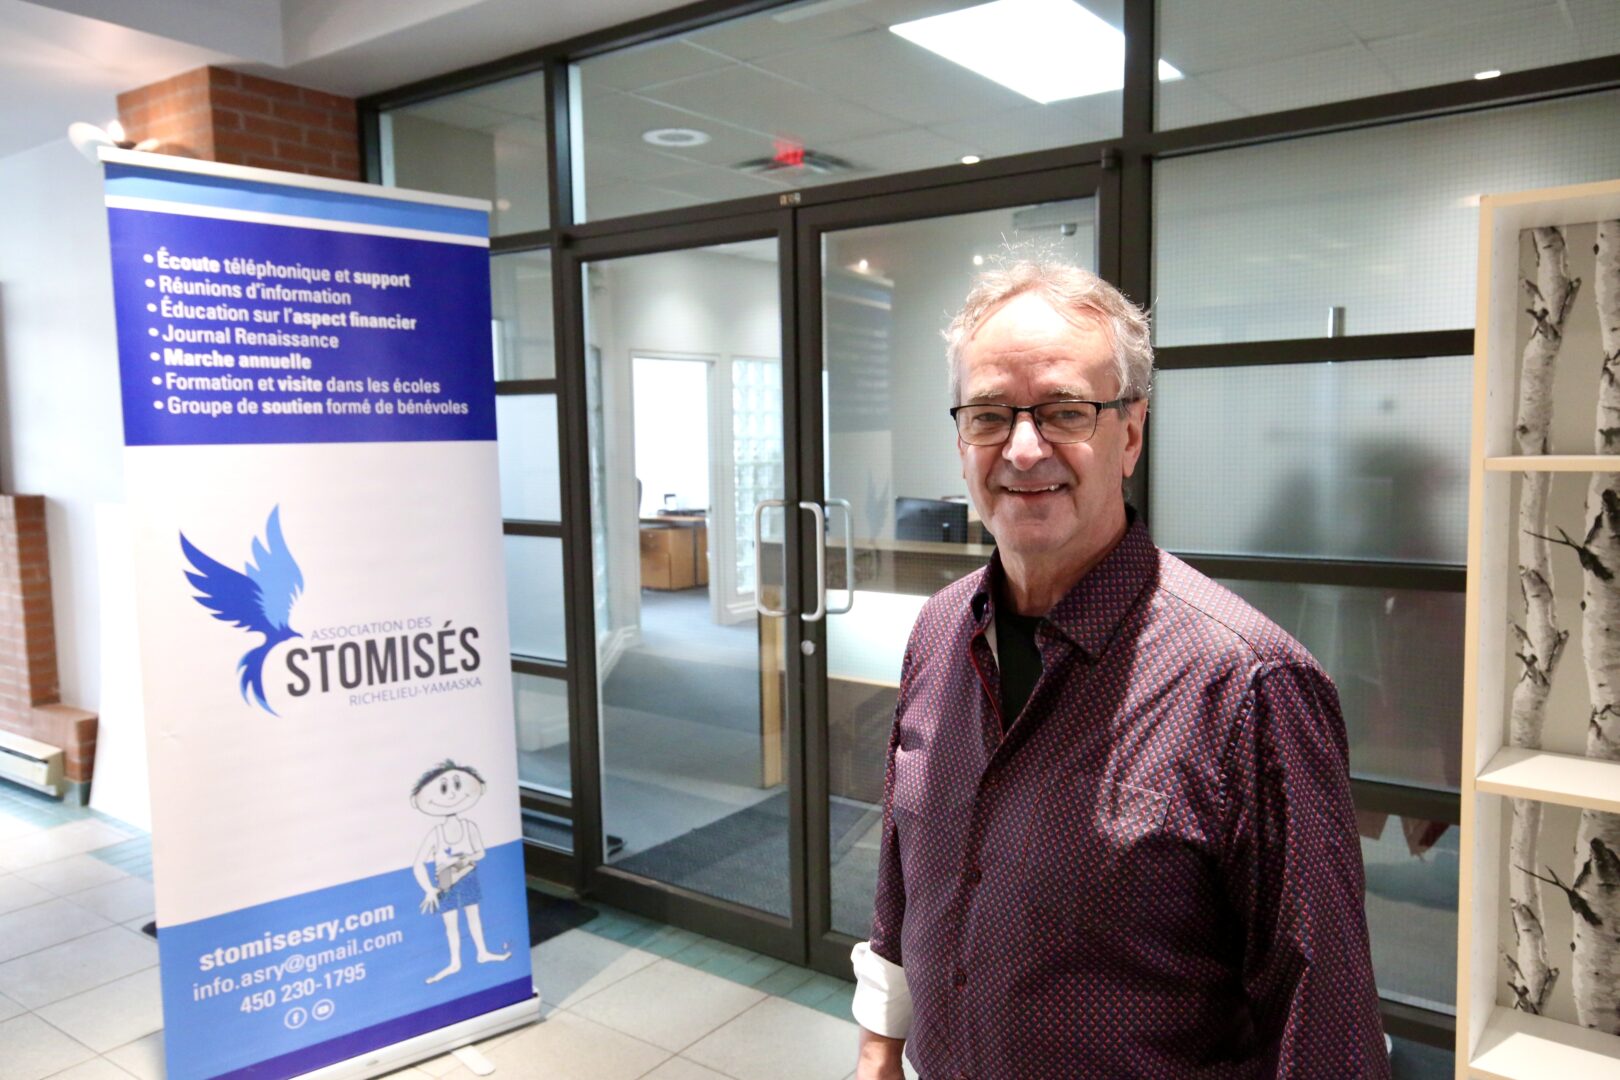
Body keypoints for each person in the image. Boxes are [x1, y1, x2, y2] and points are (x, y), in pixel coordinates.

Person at [850, 262, 1387, 1079]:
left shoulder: (1250, 687)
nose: (1024, 449)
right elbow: (906, 865)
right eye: (990, 415)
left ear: (1129, 434)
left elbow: (1323, 1022)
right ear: (962, 439)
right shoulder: (938, 631)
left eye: (1066, 411)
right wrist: (879, 1048)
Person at [410, 758, 511, 984]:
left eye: (457, 786)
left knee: (474, 917)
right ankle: (455, 961)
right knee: (451, 924)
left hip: (466, 875)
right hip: (445, 880)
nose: (452, 795)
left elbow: (480, 852)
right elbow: (418, 864)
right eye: (443, 788)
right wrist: (429, 889)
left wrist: (464, 859)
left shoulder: (469, 827)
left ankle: (482, 952)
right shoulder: (436, 833)